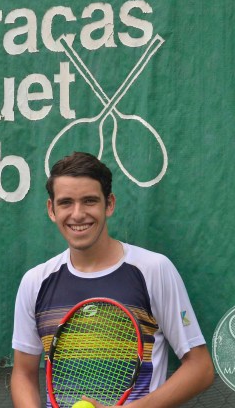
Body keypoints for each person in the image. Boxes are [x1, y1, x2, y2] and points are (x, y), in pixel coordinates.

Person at [11, 152, 213, 407]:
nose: (78, 214)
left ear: (109, 204)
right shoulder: (35, 282)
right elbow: (23, 373)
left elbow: (200, 368)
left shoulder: (153, 269)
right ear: (52, 209)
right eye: (66, 203)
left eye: (89, 201)